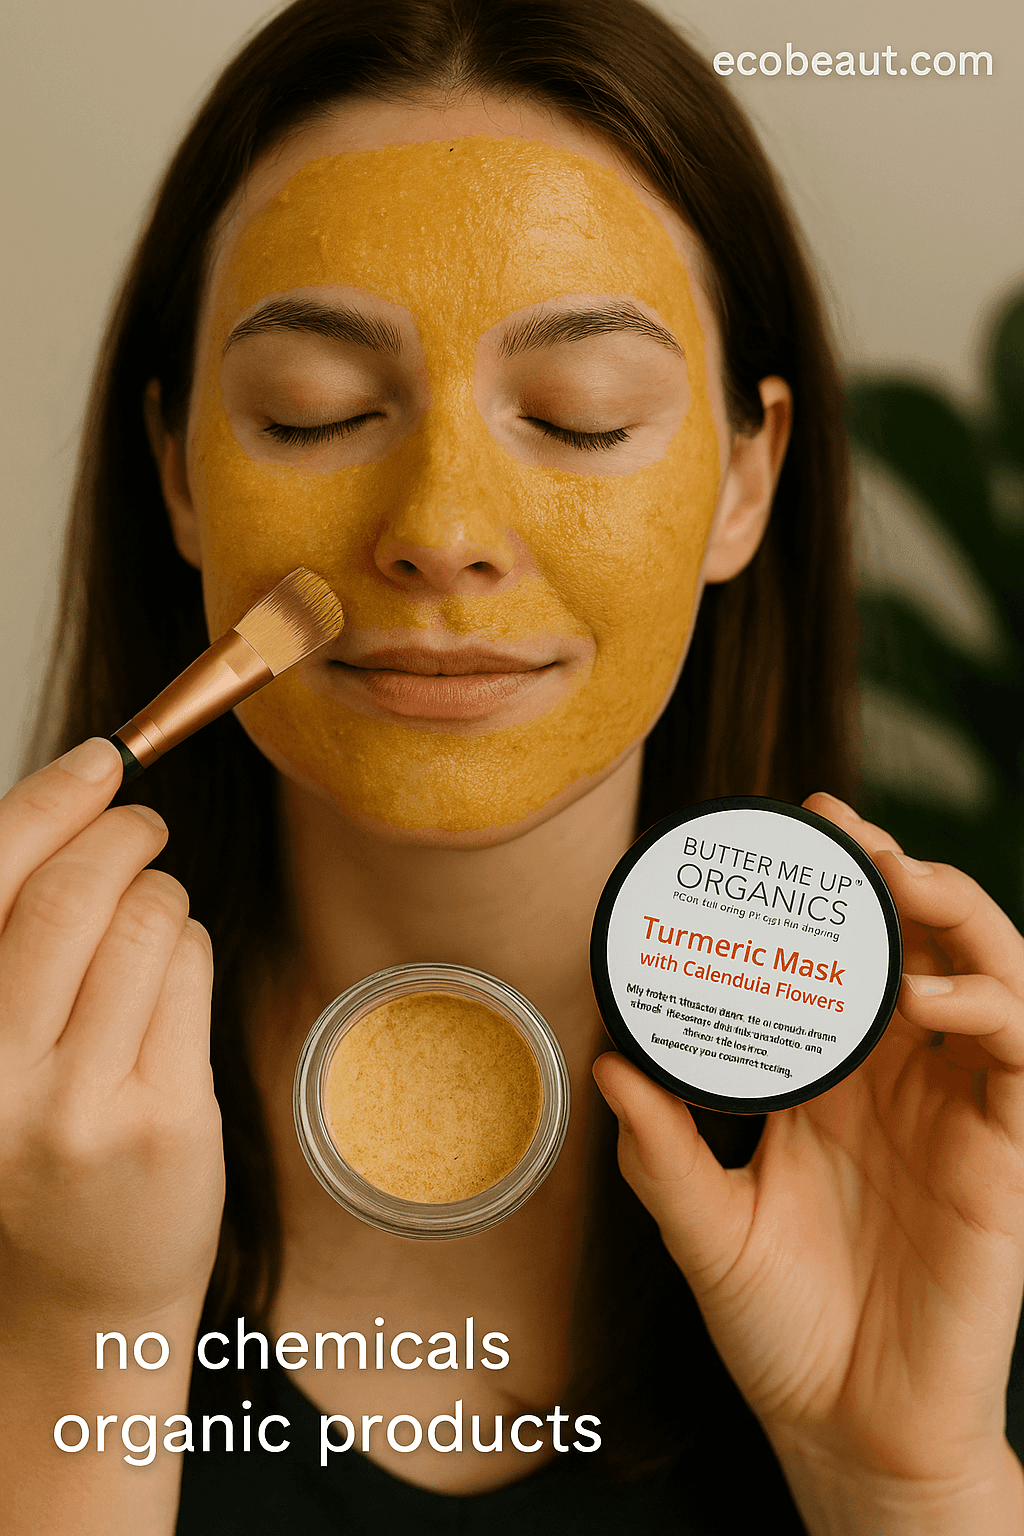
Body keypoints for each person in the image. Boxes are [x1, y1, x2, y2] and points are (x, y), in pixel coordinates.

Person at [3, 1, 1023, 1531]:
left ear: (746, 477)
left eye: (580, 417)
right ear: (179, 474)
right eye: (318, 412)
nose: (443, 526)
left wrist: (907, 1479)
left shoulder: (959, 1156)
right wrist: (73, 1358)